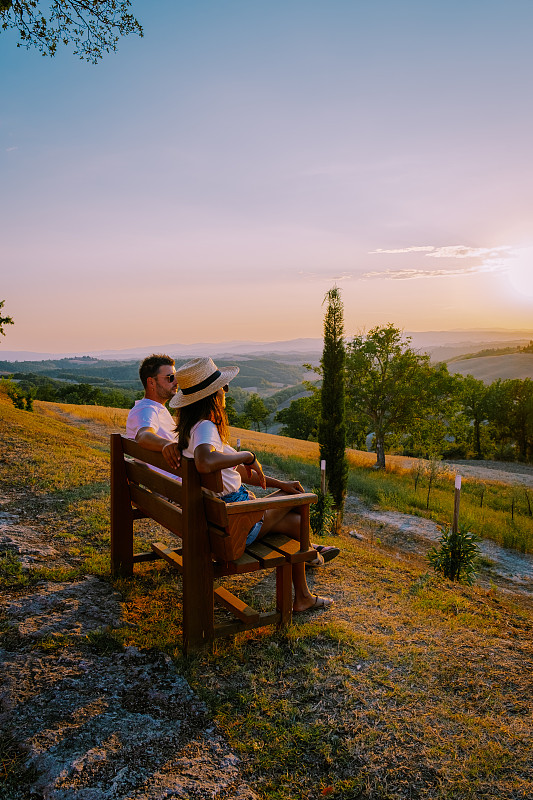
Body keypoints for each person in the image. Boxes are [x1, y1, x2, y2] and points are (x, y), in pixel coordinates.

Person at [169, 357, 334, 613]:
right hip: (236, 524)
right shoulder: (206, 428)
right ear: (213, 395)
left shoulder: (189, 428)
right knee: (300, 504)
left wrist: (277, 483)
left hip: (219, 522)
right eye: (223, 388)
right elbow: (205, 461)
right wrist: (248, 455)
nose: (225, 392)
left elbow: (227, 472)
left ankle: (303, 594)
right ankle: (308, 564)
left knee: (295, 522)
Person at [126, 354, 181, 470]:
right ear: (151, 382)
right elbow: (144, 435)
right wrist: (166, 444)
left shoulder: (154, 408)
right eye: (170, 378)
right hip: (179, 484)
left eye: (176, 377)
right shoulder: (147, 410)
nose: (176, 382)